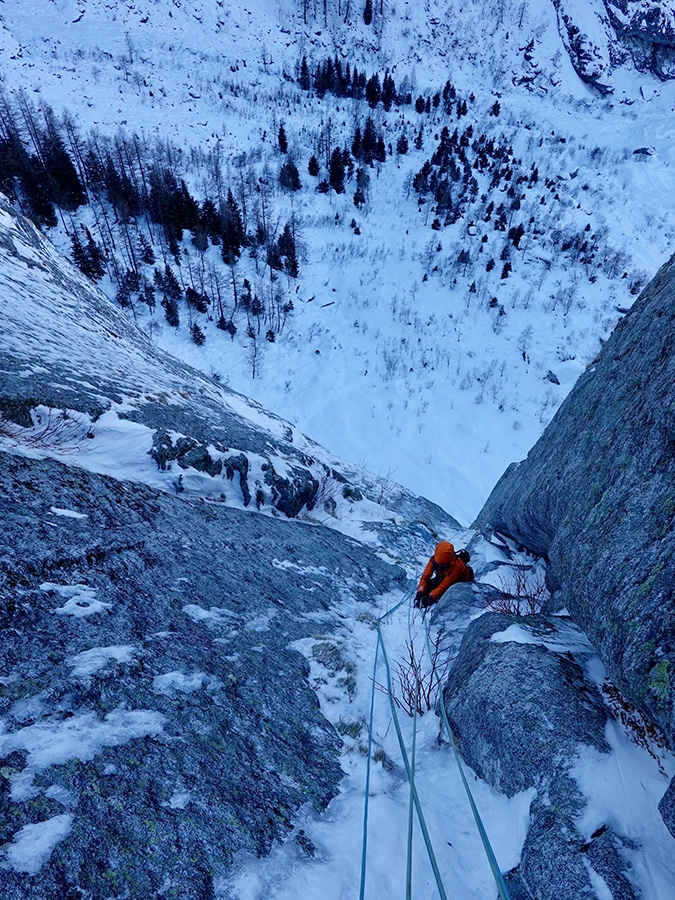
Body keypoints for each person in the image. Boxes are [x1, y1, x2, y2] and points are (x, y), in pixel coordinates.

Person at [414, 541, 473, 608]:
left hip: (459, 580)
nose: (440, 565)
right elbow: (425, 577)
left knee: (447, 592)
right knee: (429, 586)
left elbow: (446, 584)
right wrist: (420, 591)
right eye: (438, 563)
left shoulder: (458, 565)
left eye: (443, 564)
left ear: (450, 561)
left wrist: (431, 597)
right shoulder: (434, 560)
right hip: (444, 576)